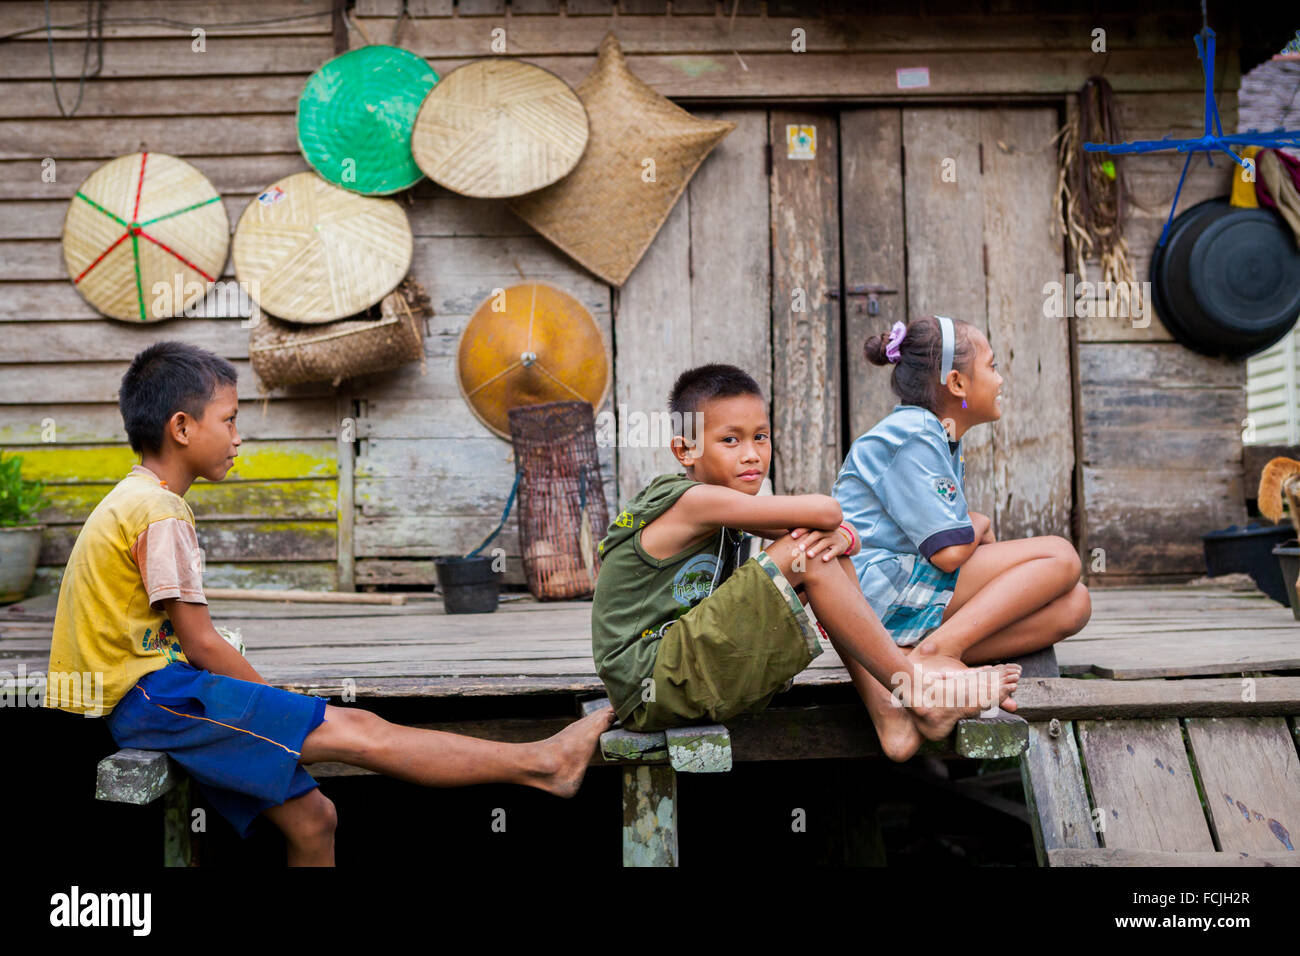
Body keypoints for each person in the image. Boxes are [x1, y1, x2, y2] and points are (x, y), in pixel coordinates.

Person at [43, 341, 613, 866]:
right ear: (182, 427)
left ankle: (542, 763)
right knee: (361, 730)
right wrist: (279, 705)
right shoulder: (160, 512)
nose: (239, 437)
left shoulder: (134, 498)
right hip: (155, 700)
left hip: (158, 694)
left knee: (316, 820)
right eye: (231, 419)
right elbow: (202, 642)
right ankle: (543, 763)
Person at [590, 363, 1020, 762]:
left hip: (679, 674)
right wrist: (836, 529)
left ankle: (893, 719)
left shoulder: (726, 505)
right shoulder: (692, 501)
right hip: (656, 679)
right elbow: (827, 512)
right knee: (807, 551)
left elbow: (833, 533)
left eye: (760, 437)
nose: (751, 454)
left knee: (819, 550)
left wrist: (843, 537)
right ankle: (917, 692)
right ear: (685, 451)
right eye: (730, 440)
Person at [833, 314, 1091, 675]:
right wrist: (979, 522)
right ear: (956, 383)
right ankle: (938, 651)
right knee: (1061, 556)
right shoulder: (913, 435)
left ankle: (914, 654)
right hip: (873, 594)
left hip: (902, 589)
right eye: (992, 366)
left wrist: (974, 530)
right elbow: (949, 553)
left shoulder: (939, 435)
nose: (1000, 379)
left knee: (1075, 604)